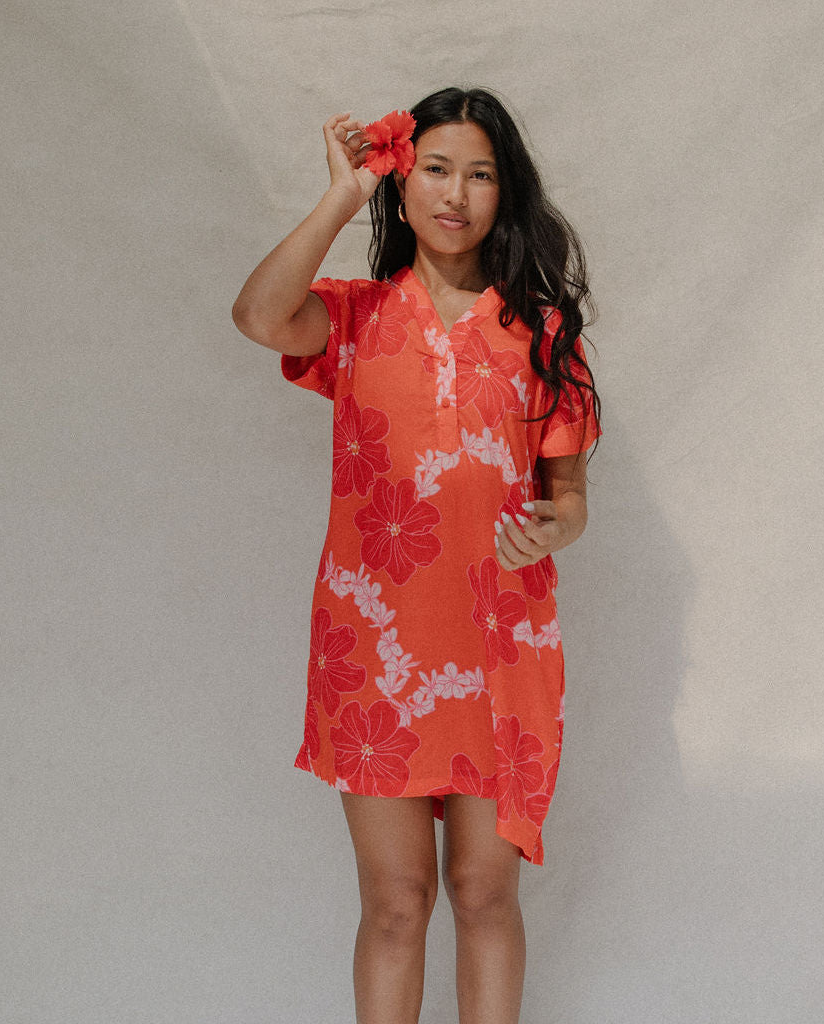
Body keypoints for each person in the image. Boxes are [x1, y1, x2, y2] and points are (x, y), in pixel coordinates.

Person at [232, 86, 600, 1024]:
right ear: (404, 180)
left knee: (484, 894)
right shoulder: (356, 319)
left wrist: (555, 527)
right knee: (396, 903)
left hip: (499, 644)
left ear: (506, 192)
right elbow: (259, 316)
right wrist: (342, 195)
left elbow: (569, 498)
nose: (456, 194)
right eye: (436, 168)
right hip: (374, 651)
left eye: (480, 174)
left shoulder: (543, 334)